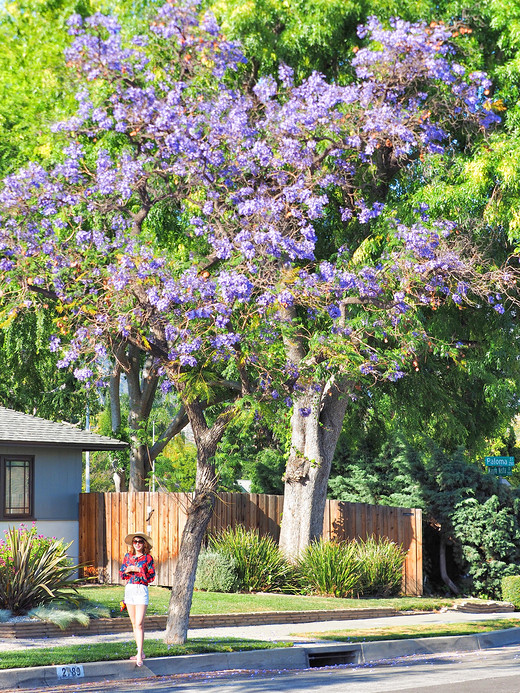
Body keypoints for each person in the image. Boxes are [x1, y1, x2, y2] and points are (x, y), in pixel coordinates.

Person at [120, 532, 156, 666]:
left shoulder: (147, 558)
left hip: (141, 589)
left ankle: (140, 655)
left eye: (140, 541)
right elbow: (122, 574)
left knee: (140, 623)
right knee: (134, 623)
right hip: (130, 589)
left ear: (144, 544)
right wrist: (127, 570)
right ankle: (139, 652)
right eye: (135, 542)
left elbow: (151, 576)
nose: (137, 544)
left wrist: (139, 571)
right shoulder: (127, 557)